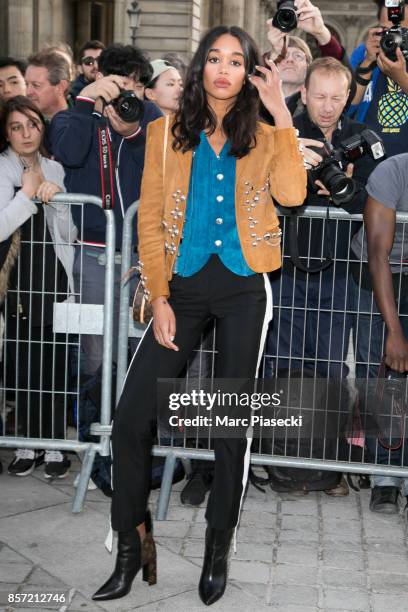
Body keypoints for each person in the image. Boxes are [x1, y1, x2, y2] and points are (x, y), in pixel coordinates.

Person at [92, 25, 306, 605]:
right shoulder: (166, 136)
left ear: (248, 73)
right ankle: (134, 551)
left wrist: (281, 113)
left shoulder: (264, 137)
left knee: (231, 429)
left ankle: (218, 549)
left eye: (236, 61)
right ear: (200, 68)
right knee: (132, 417)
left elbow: (291, 194)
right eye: (214, 58)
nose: (223, 69)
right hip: (180, 290)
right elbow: (151, 222)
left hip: (242, 288)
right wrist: (158, 297)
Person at [50, 44, 161, 494]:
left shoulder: (152, 119)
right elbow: (69, 154)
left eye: (136, 85)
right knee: (95, 357)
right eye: (120, 84)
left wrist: (132, 129)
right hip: (94, 252)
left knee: (141, 355)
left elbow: (160, 160)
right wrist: (86, 101)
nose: (127, 95)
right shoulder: (73, 116)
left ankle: (138, 454)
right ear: (103, 81)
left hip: (143, 257)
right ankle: (94, 449)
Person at [265, 57, 381, 379]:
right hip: (286, 268)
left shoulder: (364, 138)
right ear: (303, 94)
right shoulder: (284, 134)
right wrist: (295, 170)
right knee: (284, 364)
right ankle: (283, 430)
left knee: (329, 369)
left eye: (336, 97)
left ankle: (327, 431)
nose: (328, 107)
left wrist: (346, 190)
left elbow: (376, 204)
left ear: (347, 97)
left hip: (341, 273)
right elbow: (263, 190)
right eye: (319, 96)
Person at [0, 95, 76, 478]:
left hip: (54, 278)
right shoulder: (1, 169)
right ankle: (28, 444)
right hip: (16, 283)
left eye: (32, 124)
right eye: (17, 126)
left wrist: (57, 199)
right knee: (25, 365)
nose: (26, 133)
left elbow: (68, 233)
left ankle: (56, 446)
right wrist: (27, 193)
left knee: (56, 364)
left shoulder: (55, 167)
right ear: (6, 133)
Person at [350, 154, 408, 513]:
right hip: (380, 275)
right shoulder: (394, 171)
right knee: (383, 376)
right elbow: (377, 255)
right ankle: (384, 476)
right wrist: (395, 330)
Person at [266, 0, 354, 116]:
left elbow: (342, 82)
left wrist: (321, 33)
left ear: (308, 67)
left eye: (298, 56)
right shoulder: (254, 104)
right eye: (283, 55)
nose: (290, 60)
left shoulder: (320, 110)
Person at [349, 0, 408, 157]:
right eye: (385, 30)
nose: (393, 38)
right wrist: (368, 61)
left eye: (400, 31)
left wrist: (402, 79)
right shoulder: (364, 53)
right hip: (367, 161)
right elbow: (343, 109)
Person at [25, 50, 70, 121]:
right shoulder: (21, 120)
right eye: (26, 84)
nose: (28, 92)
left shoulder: (82, 125)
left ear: (61, 87)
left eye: (36, 85)